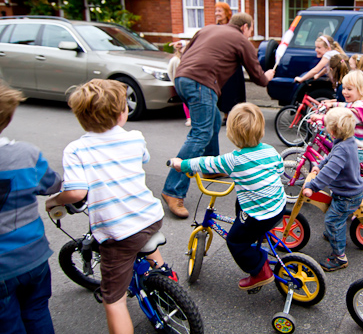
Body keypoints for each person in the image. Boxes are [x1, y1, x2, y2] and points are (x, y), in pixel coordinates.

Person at [45, 79, 177, 334]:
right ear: (121, 114)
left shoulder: (76, 150)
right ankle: (163, 272)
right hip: (151, 217)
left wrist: (54, 201)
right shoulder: (135, 138)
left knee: (113, 300)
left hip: (118, 231)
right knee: (142, 239)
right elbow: (143, 157)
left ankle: (145, 286)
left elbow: (76, 192)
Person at [163, 13, 274, 219]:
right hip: (201, 83)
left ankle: (211, 168)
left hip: (183, 78)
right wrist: (267, 77)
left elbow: (186, 53)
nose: (249, 35)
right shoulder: (241, 40)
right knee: (200, 133)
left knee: (213, 120)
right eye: (250, 30)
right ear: (245, 27)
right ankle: (173, 191)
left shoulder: (207, 29)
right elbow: (258, 77)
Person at [167, 103, 286, 290]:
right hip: (278, 207)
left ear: (231, 133)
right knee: (243, 199)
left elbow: (207, 163)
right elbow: (280, 169)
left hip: (259, 216)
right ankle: (259, 234)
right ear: (261, 129)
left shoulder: (233, 160)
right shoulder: (270, 150)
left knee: (235, 242)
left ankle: (259, 270)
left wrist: (181, 164)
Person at [0, 84, 61, 334]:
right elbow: (52, 184)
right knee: (37, 310)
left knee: (8, 323)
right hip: (33, 255)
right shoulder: (27, 154)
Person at [302, 108, 363, 272]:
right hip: (347, 192)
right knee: (334, 215)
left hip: (347, 197)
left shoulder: (342, 148)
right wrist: (319, 166)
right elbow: (329, 160)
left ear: (332, 130)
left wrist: (312, 186)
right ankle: (334, 234)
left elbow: (330, 172)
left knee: (332, 220)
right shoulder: (346, 142)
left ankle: (339, 257)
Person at [322, 70, 363, 162]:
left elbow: (340, 119)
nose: (344, 92)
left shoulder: (358, 111)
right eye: (344, 88)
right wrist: (333, 105)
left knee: (336, 166)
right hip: (360, 147)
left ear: (360, 90)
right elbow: (346, 106)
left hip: (358, 150)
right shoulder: (361, 103)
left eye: (349, 89)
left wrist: (321, 118)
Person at [215, 2, 246, 126]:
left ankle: (235, 116)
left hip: (233, 65)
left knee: (234, 91)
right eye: (216, 11)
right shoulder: (215, 28)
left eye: (220, 11)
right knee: (223, 91)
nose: (217, 13)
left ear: (227, 13)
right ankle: (226, 115)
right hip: (220, 65)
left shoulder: (233, 28)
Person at [168, 40, 191, 126]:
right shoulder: (175, 60)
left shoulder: (188, 58)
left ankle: (192, 117)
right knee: (185, 101)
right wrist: (174, 82)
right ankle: (189, 118)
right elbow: (169, 71)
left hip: (189, 82)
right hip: (180, 83)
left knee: (191, 100)